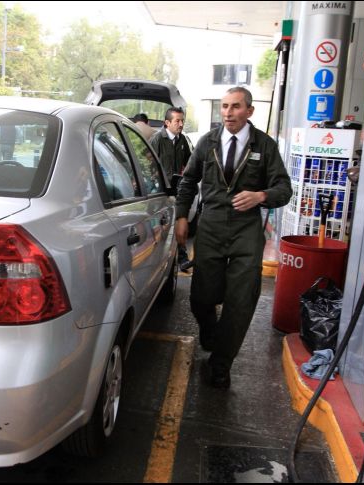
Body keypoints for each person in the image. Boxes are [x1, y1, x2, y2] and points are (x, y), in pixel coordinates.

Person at [174, 86, 292, 388]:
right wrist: (182, 216)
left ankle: (220, 365)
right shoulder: (207, 142)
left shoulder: (264, 146)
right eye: (225, 106)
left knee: (241, 300)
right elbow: (188, 181)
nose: (229, 112)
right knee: (201, 297)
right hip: (211, 225)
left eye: (236, 106)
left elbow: (283, 189)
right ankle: (210, 330)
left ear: (249, 111)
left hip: (246, 229)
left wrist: (260, 196)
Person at [149, 106, 193, 271]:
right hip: (159, 192)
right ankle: (156, 260)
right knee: (160, 227)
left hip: (177, 190)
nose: (181, 124)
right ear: (167, 123)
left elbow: (190, 163)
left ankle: (182, 259)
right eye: (177, 121)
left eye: (182, 120)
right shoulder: (157, 140)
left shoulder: (182, 141)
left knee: (179, 222)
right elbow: (148, 164)